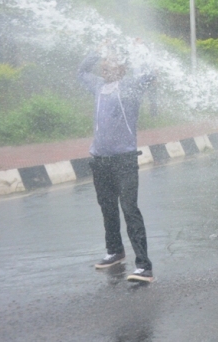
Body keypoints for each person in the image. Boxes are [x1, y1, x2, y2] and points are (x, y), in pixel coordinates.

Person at [78, 46, 155, 283]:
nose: (104, 65)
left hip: (124, 159)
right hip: (100, 159)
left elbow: (150, 74)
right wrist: (95, 51)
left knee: (129, 208)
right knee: (107, 207)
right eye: (103, 61)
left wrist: (138, 50)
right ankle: (115, 251)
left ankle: (144, 265)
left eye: (110, 61)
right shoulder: (98, 86)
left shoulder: (131, 86)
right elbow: (81, 72)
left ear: (122, 67)